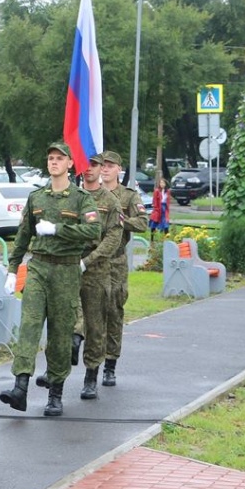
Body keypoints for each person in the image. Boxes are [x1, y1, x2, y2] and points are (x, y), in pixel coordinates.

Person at [0, 142, 100, 417]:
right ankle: (20, 387)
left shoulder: (81, 198)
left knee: (59, 333)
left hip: (66, 271)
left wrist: (58, 229)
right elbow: (23, 236)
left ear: (70, 164)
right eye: (51, 158)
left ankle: (55, 393)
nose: (54, 162)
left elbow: (94, 230)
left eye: (59, 158)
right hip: (39, 268)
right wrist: (12, 269)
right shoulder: (37, 198)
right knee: (29, 325)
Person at [45, 153, 124, 401]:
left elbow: (113, 239)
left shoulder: (110, 201)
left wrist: (88, 261)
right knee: (62, 319)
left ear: (101, 169)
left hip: (96, 269)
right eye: (85, 164)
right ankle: (55, 378)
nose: (89, 169)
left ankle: (91, 376)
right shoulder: (71, 197)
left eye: (94, 165)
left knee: (96, 324)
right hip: (67, 264)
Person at [98, 151, 149, 387]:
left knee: (114, 311)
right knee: (89, 312)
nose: (105, 169)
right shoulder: (90, 194)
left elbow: (142, 223)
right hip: (92, 260)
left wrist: (120, 221)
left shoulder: (128, 196)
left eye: (110, 166)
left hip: (116, 262)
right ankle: (91, 363)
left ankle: (110, 364)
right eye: (103, 165)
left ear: (119, 169)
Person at [150, 177, 171, 244]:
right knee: (154, 223)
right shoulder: (157, 191)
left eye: (163, 183)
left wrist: (167, 209)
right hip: (158, 208)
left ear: (165, 184)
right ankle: (152, 239)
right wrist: (156, 208)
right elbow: (154, 201)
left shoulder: (167, 191)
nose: (162, 184)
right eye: (161, 183)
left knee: (165, 223)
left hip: (164, 208)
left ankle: (167, 239)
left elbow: (168, 201)